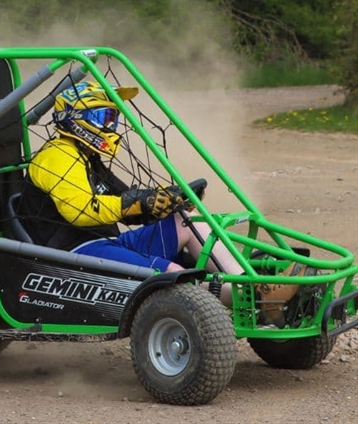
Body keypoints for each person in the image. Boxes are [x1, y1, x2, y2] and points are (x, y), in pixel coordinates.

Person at [17, 81, 305, 312]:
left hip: (106, 243)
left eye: (113, 117)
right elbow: (81, 211)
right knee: (174, 274)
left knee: (184, 219)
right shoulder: (57, 155)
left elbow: (127, 200)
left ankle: (248, 283)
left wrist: (163, 203)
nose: (111, 126)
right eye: (103, 117)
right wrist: (138, 203)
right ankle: (252, 299)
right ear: (76, 119)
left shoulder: (88, 157)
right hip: (74, 254)